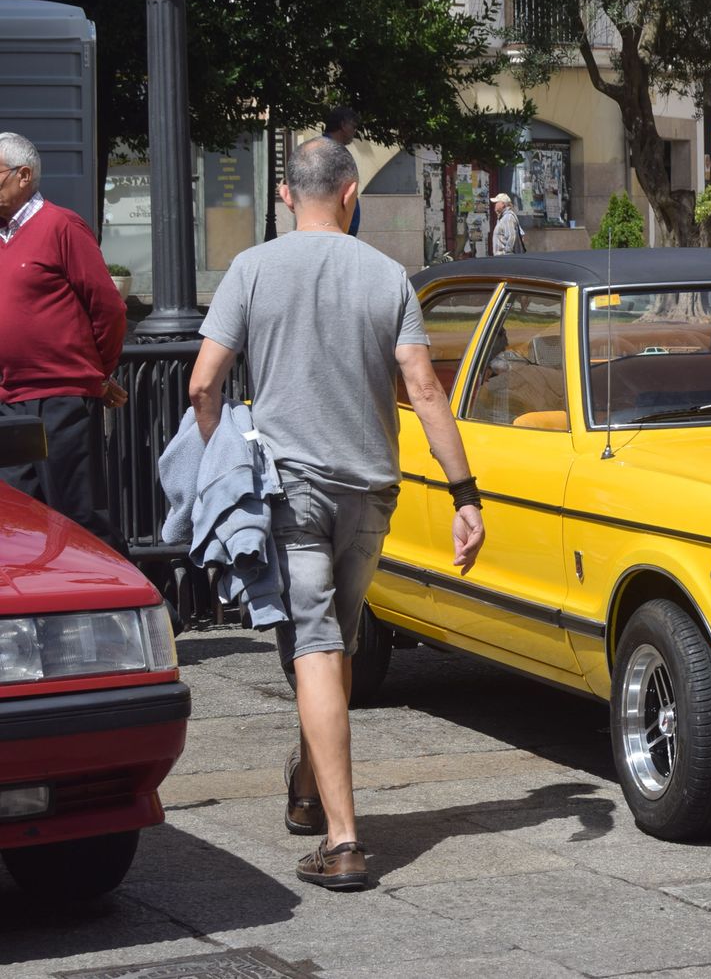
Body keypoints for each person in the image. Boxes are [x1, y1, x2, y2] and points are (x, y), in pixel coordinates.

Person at [188, 137, 486, 892]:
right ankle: (306, 786)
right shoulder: (388, 277)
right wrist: (464, 495)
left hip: (291, 490)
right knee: (333, 639)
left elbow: (203, 383)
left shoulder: (252, 270)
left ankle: (344, 840)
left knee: (314, 645)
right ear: (351, 193)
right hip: (369, 492)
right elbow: (422, 389)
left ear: (288, 196)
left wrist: (216, 457)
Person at [0, 131, 128, 547]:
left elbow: (107, 308)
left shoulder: (61, 226)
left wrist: (97, 374)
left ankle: (142, 605)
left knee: (77, 517)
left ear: (23, 176)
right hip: (9, 401)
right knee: (18, 521)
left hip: (60, 396)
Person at [322, 106, 363, 235]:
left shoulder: (329, 149)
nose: (354, 131)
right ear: (343, 125)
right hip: (336, 231)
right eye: (353, 126)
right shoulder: (330, 152)